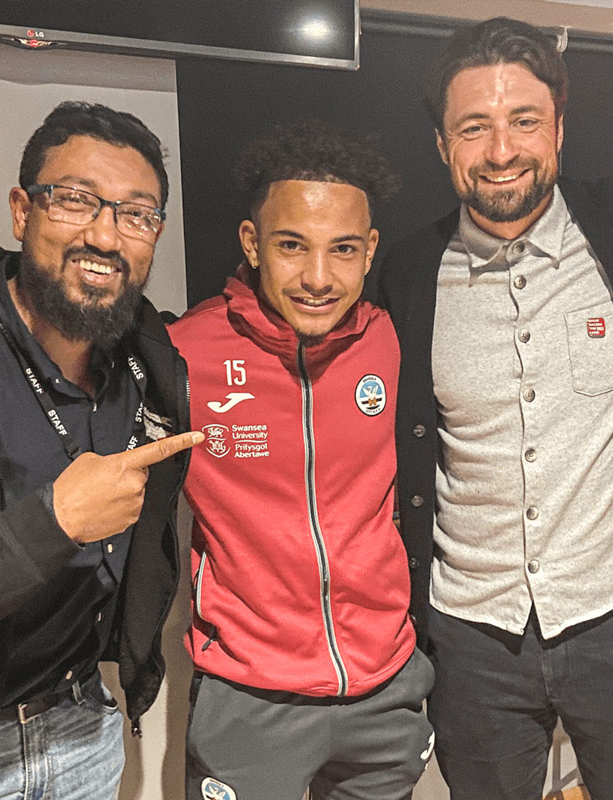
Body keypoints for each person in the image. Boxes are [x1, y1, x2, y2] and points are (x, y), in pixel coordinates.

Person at [376, 17, 613, 800]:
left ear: (559, 125)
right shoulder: (408, 276)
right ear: (442, 143)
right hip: (472, 640)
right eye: (474, 127)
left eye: (523, 121)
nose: (501, 151)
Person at [169, 122, 435, 800]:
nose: (319, 278)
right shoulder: (184, 352)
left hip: (384, 692)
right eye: (292, 246)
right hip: (250, 701)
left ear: (370, 249)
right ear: (252, 243)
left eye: (343, 250)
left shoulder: (393, 339)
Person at [0, 101, 202, 800]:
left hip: (82, 723)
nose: (105, 235)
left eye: (136, 214)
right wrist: (52, 523)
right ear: (23, 211)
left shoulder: (147, 359)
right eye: (78, 200)